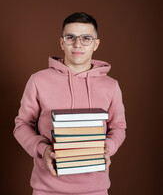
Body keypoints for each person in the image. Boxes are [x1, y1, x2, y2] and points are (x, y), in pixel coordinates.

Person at [14, 12, 127, 195]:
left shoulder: (111, 86)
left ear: (96, 44)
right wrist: (43, 150)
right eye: (70, 38)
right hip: (47, 188)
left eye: (86, 38)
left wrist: (109, 148)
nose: (77, 44)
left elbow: (119, 127)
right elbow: (22, 125)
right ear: (62, 43)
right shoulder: (38, 81)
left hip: (96, 188)